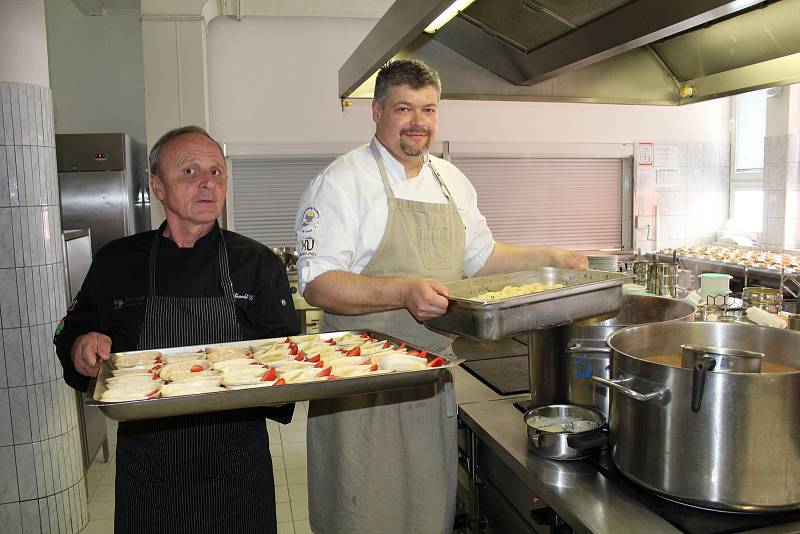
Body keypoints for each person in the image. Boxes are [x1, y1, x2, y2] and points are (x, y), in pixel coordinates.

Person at [295, 59, 587, 534]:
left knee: (425, 512)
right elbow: (319, 283)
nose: (419, 122)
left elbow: (482, 258)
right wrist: (404, 291)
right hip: (360, 385)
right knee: (360, 513)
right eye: (404, 108)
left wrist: (548, 258)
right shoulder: (342, 182)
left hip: (430, 379)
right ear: (377, 111)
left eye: (428, 110)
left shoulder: (451, 180)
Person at [54, 126, 299, 533]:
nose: (208, 183)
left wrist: (282, 386)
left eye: (217, 172)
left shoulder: (257, 264)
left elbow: (284, 358)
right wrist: (81, 346)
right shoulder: (118, 262)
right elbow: (73, 334)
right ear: (157, 186)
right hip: (149, 474)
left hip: (238, 471)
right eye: (189, 171)